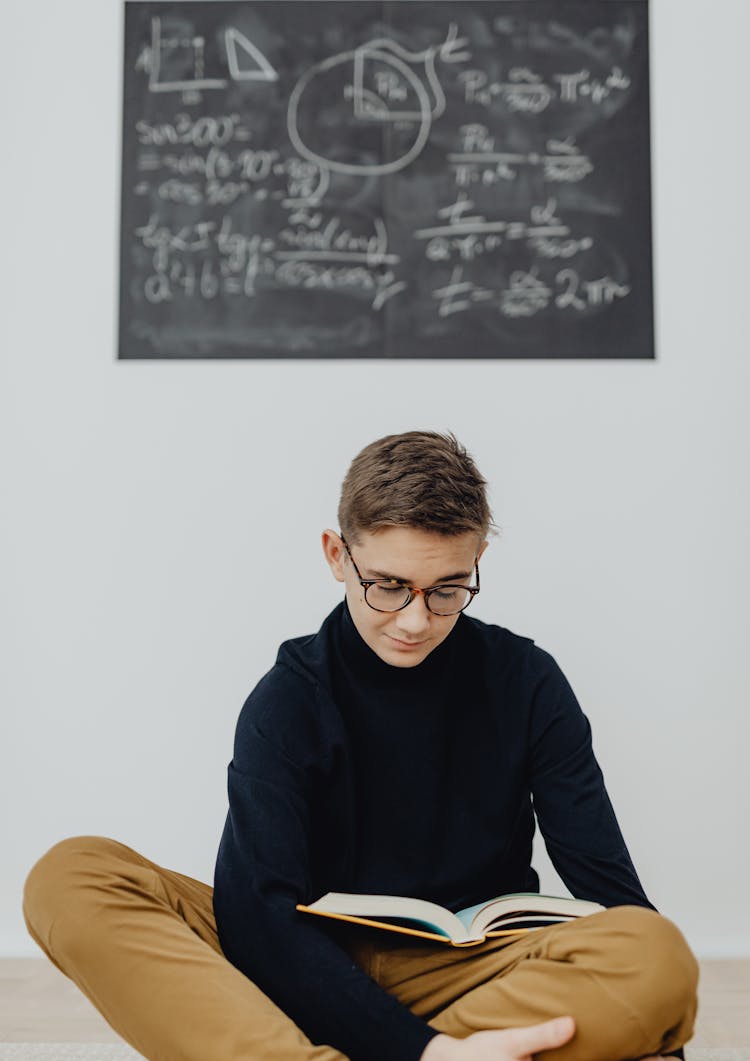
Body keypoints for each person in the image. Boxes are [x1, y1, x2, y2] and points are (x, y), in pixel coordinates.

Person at [23, 431, 698, 1061]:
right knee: (71, 876)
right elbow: (258, 918)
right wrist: (424, 1051)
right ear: (335, 554)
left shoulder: (526, 679)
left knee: (655, 951)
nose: (413, 619)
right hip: (304, 961)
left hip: (473, 973)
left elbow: (609, 885)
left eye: (447, 589)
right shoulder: (287, 698)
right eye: (388, 585)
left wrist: (665, 1016)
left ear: (476, 562)